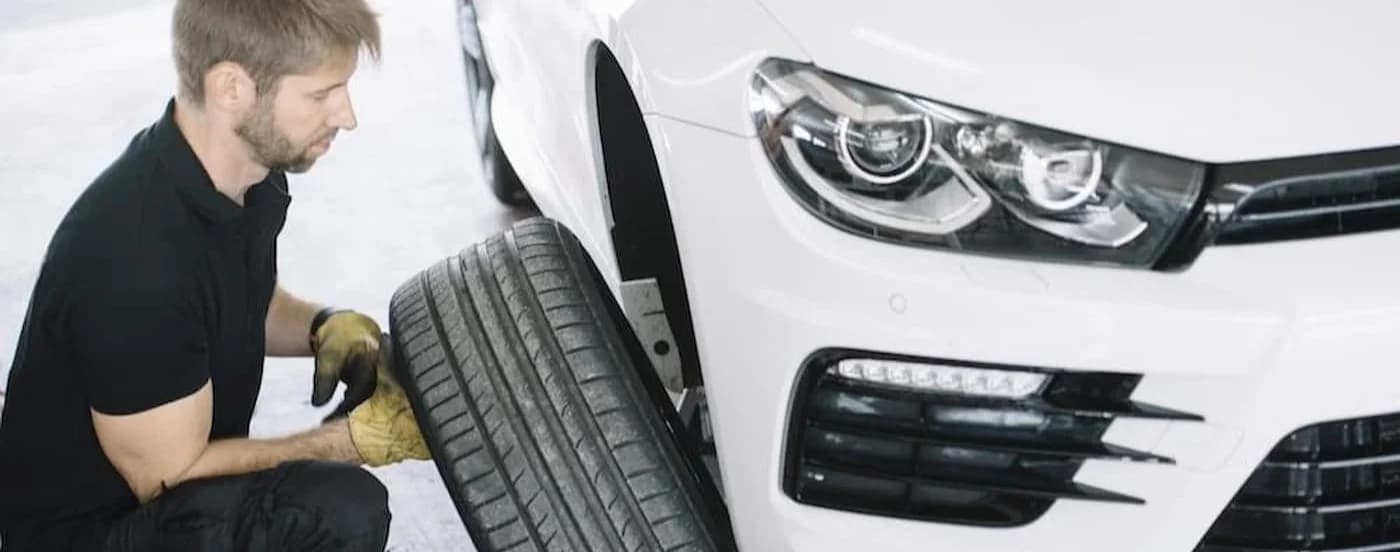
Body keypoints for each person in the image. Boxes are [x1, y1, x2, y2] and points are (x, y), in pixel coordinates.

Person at [0, 0, 432, 549]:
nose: (347, 116)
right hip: (90, 529)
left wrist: (321, 326)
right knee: (332, 510)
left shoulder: (250, 179)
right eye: (321, 94)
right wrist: (346, 442)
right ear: (232, 88)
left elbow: (237, 298)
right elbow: (168, 475)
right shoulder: (134, 261)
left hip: (170, 492)